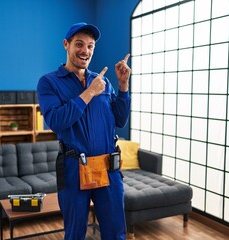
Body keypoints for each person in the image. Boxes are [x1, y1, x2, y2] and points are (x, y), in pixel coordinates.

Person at [37, 22, 131, 240]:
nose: (85, 51)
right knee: (75, 233)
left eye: (90, 46)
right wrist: (89, 93)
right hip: (73, 167)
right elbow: (56, 121)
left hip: (108, 166)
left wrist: (123, 86)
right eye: (79, 44)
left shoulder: (103, 82)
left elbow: (120, 119)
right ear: (66, 45)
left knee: (116, 232)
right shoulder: (49, 82)